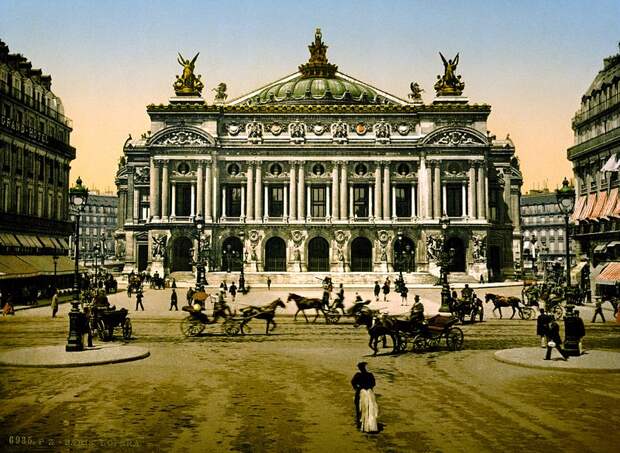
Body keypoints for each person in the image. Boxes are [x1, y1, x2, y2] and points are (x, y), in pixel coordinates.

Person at [351, 362, 378, 433]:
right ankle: (369, 424)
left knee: (359, 408)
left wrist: (357, 388)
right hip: (369, 392)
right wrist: (369, 388)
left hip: (361, 391)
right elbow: (373, 383)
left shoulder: (358, 375)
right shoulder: (370, 375)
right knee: (369, 408)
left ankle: (360, 423)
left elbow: (353, 382)